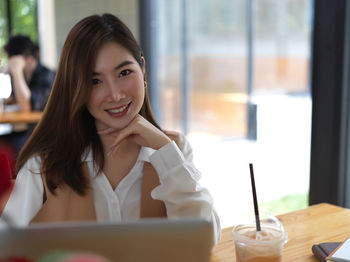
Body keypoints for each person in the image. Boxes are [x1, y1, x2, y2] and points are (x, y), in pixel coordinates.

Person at [1, 14, 221, 243]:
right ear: (77, 87)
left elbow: (203, 241)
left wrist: (166, 151)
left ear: (142, 69)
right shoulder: (44, 162)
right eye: (95, 81)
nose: (115, 95)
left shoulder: (173, 149)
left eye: (124, 73)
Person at [1, 35, 55, 156]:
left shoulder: (48, 76)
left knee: (7, 149)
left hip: (50, 136)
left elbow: (26, 106)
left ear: (29, 59)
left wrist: (16, 72)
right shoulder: (24, 76)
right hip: (29, 131)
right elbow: (15, 99)